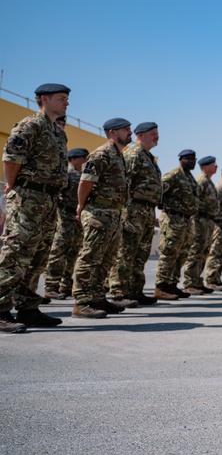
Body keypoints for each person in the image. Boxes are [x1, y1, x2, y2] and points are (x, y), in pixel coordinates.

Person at [0, 83, 70, 332]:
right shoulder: (30, 125)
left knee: (39, 257)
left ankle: (28, 309)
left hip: (49, 201)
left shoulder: (58, 131)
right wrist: (13, 186)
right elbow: (11, 159)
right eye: (62, 98)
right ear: (44, 99)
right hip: (29, 197)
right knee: (16, 254)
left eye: (67, 99)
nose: (66, 103)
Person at [72, 118, 131, 317]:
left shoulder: (118, 155)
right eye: (126, 130)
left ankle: (97, 298)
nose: (129, 132)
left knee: (106, 259)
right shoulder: (101, 154)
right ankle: (81, 302)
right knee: (90, 257)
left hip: (113, 213)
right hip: (98, 213)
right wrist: (82, 206)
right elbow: (85, 183)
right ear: (113, 132)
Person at [107, 122, 161, 305]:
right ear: (141, 135)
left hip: (146, 210)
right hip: (133, 209)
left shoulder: (148, 156)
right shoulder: (134, 154)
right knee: (126, 251)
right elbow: (123, 181)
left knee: (140, 253)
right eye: (153, 133)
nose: (157, 136)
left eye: (157, 133)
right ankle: (118, 292)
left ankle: (134, 290)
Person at [42, 147, 87, 301]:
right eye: (83, 157)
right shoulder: (67, 174)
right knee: (59, 250)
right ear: (73, 159)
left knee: (73, 251)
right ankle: (51, 286)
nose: (85, 160)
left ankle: (65, 284)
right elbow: (56, 193)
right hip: (64, 215)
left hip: (77, 217)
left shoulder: (82, 175)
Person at [153, 150, 199, 301]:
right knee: (169, 251)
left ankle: (172, 283)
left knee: (182, 253)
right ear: (181, 160)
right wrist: (162, 204)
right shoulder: (174, 175)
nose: (192, 161)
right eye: (188, 159)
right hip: (173, 218)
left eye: (193, 159)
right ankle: (161, 287)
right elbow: (159, 189)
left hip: (185, 220)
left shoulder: (190, 178)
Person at [181, 155, 219, 294]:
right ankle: (190, 283)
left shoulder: (209, 181)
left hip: (208, 221)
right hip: (199, 220)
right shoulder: (201, 181)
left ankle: (197, 281)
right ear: (205, 167)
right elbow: (194, 201)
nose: (216, 166)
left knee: (204, 252)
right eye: (213, 164)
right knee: (195, 251)